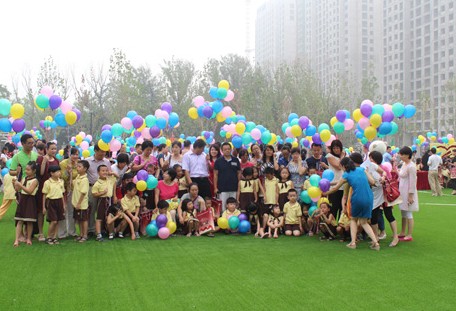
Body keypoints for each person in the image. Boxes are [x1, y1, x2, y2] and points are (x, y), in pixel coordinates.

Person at [323, 157, 380, 250]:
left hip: (357, 198)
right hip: (369, 197)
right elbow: (373, 181)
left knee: (353, 219)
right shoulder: (362, 169)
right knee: (364, 222)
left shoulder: (346, 174)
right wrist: (329, 183)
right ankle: (375, 243)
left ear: (343, 166)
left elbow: (336, 188)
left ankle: (353, 242)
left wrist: (325, 193)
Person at [369, 151, 400, 247]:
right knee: (374, 216)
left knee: (389, 215)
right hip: (375, 195)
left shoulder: (383, 167)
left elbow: (388, 179)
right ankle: (376, 236)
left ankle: (395, 237)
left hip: (385, 195)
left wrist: (383, 178)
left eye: (371, 158)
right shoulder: (369, 167)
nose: (369, 160)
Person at [36, 141, 60, 241]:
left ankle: (52, 234)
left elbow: (59, 173)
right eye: (52, 149)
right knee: (41, 211)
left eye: (55, 149)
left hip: (54, 189)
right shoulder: (41, 158)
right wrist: (44, 161)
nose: (54, 150)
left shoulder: (56, 160)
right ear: (47, 149)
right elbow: (41, 173)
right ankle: (41, 233)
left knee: (53, 211)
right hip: (43, 188)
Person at [86, 144, 113, 235]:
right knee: (92, 209)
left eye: (105, 151)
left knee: (103, 210)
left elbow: (109, 174)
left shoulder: (107, 161)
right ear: (95, 150)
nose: (103, 153)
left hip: (104, 189)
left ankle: (102, 229)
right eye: (101, 151)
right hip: (92, 187)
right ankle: (91, 230)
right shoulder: (88, 161)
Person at [13, 161, 39, 247]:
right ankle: (17, 239)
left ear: (34, 171)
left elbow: (29, 191)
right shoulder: (25, 178)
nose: (26, 171)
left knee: (29, 221)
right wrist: (15, 184)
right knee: (20, 220)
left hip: (30, 200)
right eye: (26, 169)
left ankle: (28, 238)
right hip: (23, 199)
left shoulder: (35, 180)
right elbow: (17, 189)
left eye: (28, 170)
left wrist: (19, 185)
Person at [92, 165, 117, 241]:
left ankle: (111, 233)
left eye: (106, 170)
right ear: (98, 172)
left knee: (110, 216)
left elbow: (116, 179)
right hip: (102, 201)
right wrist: (103, 192)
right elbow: (94, 194)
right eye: (102, 171)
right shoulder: (97, 183)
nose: (105, 172)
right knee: (99, 218)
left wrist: (115, 195)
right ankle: (99, 234)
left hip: (110, 200)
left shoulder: (110, 179)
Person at [398, 146, 418, 242]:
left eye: (401, 154)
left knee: (409, 212)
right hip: (402, 190)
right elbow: (401, 176)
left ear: (407, 155)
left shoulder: (411, 166)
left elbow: (413, 181)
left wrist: (411, 195)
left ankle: (409, 234)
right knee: (403, 212)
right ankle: (402, 232)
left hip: (408, 192)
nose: (400, 156)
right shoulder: (404, 164)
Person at [58, 147, 80, 238]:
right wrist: (68, 172)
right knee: (63, 210)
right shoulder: (63, 163)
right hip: (64, 189)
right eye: (73, 154)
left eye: (77, 154)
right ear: (69, 154)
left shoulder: (78, 164)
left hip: (75, 190)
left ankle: (72, 231)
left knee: (71, 211)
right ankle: (62, 233)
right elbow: (62, 177)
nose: (75, 156)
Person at [42, 166, 66, 245]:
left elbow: (62, 194)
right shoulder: (47, 182)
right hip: (51, 202)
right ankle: (49, 237)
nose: (59, 173)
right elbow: (44, 195)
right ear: (51, 173)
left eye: (60, 171)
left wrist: (63, 205)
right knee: (53, 221)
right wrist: (44, 207)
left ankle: (54, 237)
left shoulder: (61, 181)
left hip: (59, 201)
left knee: (58, 220)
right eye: (57, 172)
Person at [214, 142, 241, 212]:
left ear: (231, 150)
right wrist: (215, 187)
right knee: (223, 208)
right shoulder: (218, 161)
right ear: (222, 151)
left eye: (229, 149)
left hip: (234, 188)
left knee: (233, 207)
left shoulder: (236, 160)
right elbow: (215, 175)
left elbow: (239, 173)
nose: (227, 150)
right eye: (225, 149)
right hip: (222, 189)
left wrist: (239, 186)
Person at [326, 140, 345, 219]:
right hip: (334, 184)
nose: (336, 150)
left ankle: (341, 226)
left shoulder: (345, 156)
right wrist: (342, 157)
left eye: (338, 148)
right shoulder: (329, 156)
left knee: (342, 207)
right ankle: (332, 226)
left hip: (343, 184)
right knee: (334, 207)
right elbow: (338, 166)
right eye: (334, 148)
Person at [72, 160, 90, 243]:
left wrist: (79, 203)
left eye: (80, 167)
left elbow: (83, 193)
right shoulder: (78, 177)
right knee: (79, 219)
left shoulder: (84, 179)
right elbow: (71, 184)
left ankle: (85, 235)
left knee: (84, 219)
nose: (77, 168)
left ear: (85, 169)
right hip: (76, 203)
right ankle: (81, 234)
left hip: (82, 204)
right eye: (77, 166)